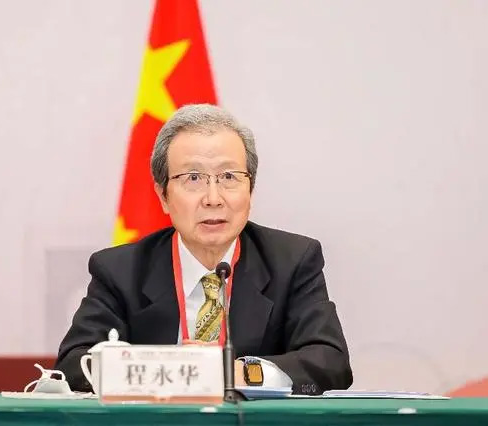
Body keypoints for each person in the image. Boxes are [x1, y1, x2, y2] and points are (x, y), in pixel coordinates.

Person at [55, 104, 352, 394]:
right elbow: (74, 365)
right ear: (163, 196)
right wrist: (180, 371)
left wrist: (238, 373)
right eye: (193, 178)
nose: (213, 198)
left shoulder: (292, 261)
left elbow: (331, 363)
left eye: (229, 177)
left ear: (250, 190)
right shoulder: (120, 271)